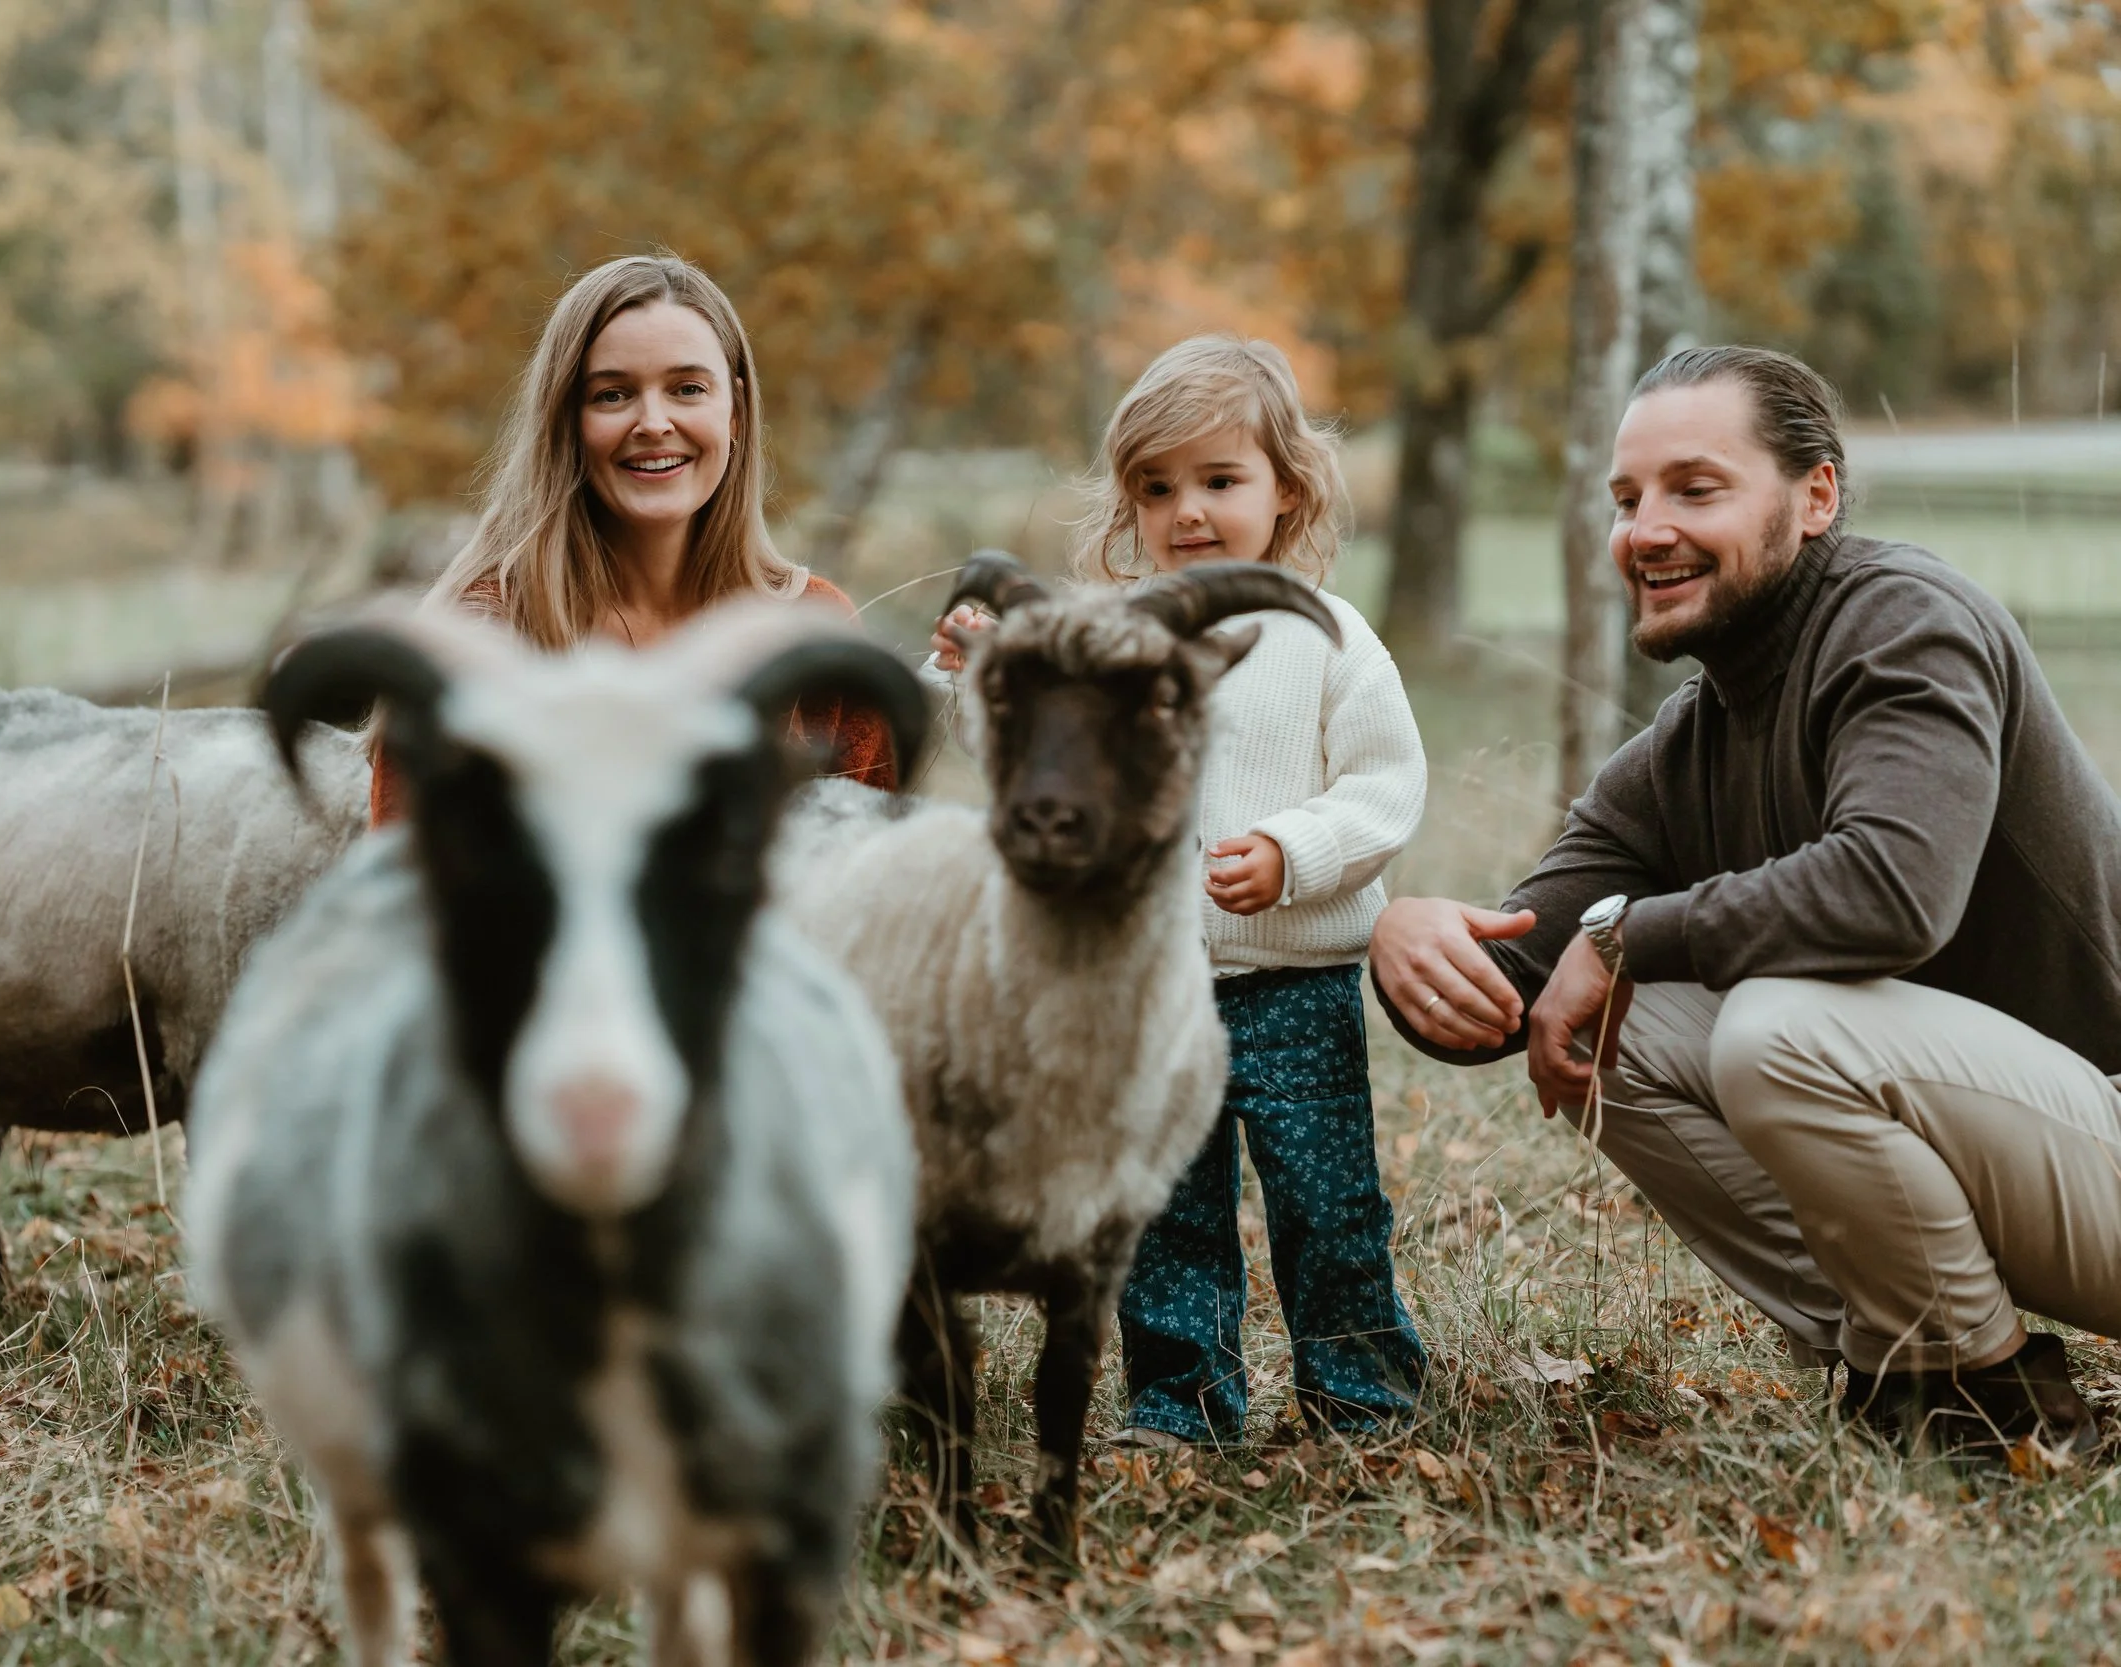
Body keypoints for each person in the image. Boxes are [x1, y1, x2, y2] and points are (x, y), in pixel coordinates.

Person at [1371, 344, 2121, 1454]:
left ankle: (1970, 1386)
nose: (1646, 528)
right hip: (2026, 1159)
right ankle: (1932, 1375)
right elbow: (1516, 983)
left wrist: (1625, 932)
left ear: (1815, 495)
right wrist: (1399, 930)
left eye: (1695, 487)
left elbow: (1892, 890)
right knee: (1615, 1028)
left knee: (1774, 1028)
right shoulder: (1689, 739)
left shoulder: (1906, 624)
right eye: (1627, 499)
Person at [932, 335, 1430, 1444]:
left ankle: (1361, 1393)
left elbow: (1387, 784)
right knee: (1167, 1210)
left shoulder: (1326, 637)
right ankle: (1184, 1402)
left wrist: (1294, 851)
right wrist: (978, 677)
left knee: (1325, 1200)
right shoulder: (1110, 638)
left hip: (1293, 985)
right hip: (1150, 990)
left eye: (1218, 479)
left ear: (1285, 487)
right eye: (1156, 488)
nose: (1186, 510)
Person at [370, 253, 895, 824]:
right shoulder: (480, 635)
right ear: (566, 422)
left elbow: (863, 873)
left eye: (688, 388)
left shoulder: (813, 629)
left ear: (736, 412)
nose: (653, 423)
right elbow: (410, 886)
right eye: (612, 395)